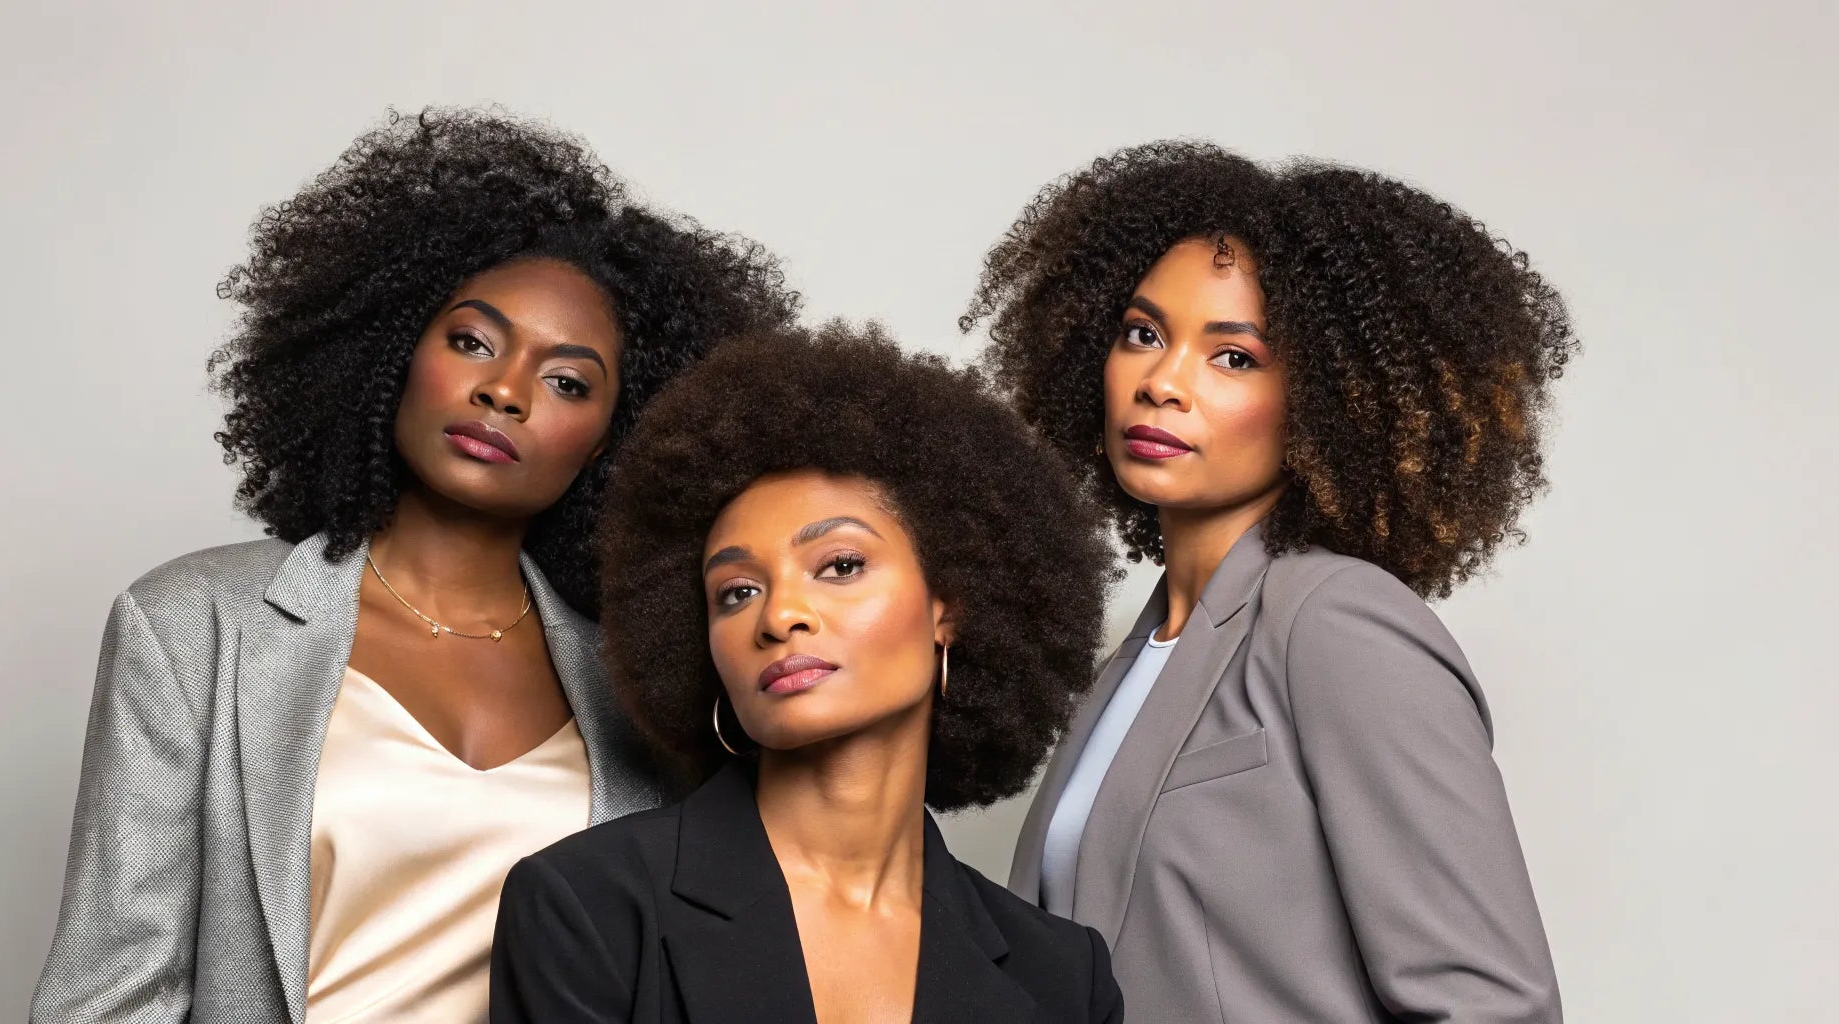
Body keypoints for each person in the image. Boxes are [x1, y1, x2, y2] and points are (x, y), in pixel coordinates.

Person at [32, 108, 797, 1023]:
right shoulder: (196, 626)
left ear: (613, 442)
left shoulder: (640, 688)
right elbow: (109, 996)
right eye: (472, 341)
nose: (503, 391)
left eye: (567, 382)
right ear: (395, 351)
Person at [962, 141, 1573, 1023]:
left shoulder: (1337, 622)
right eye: (1143, 334)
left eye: (1234, 357)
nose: (1162, 383)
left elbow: (1493, 1005)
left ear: (1332, 401)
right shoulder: (1130, 665)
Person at [490, 324, 1124, 1023]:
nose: (779, 615)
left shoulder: (1062, 976)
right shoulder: (588, 907)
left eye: (841, 566)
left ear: (950, 605)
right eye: (736, 591)